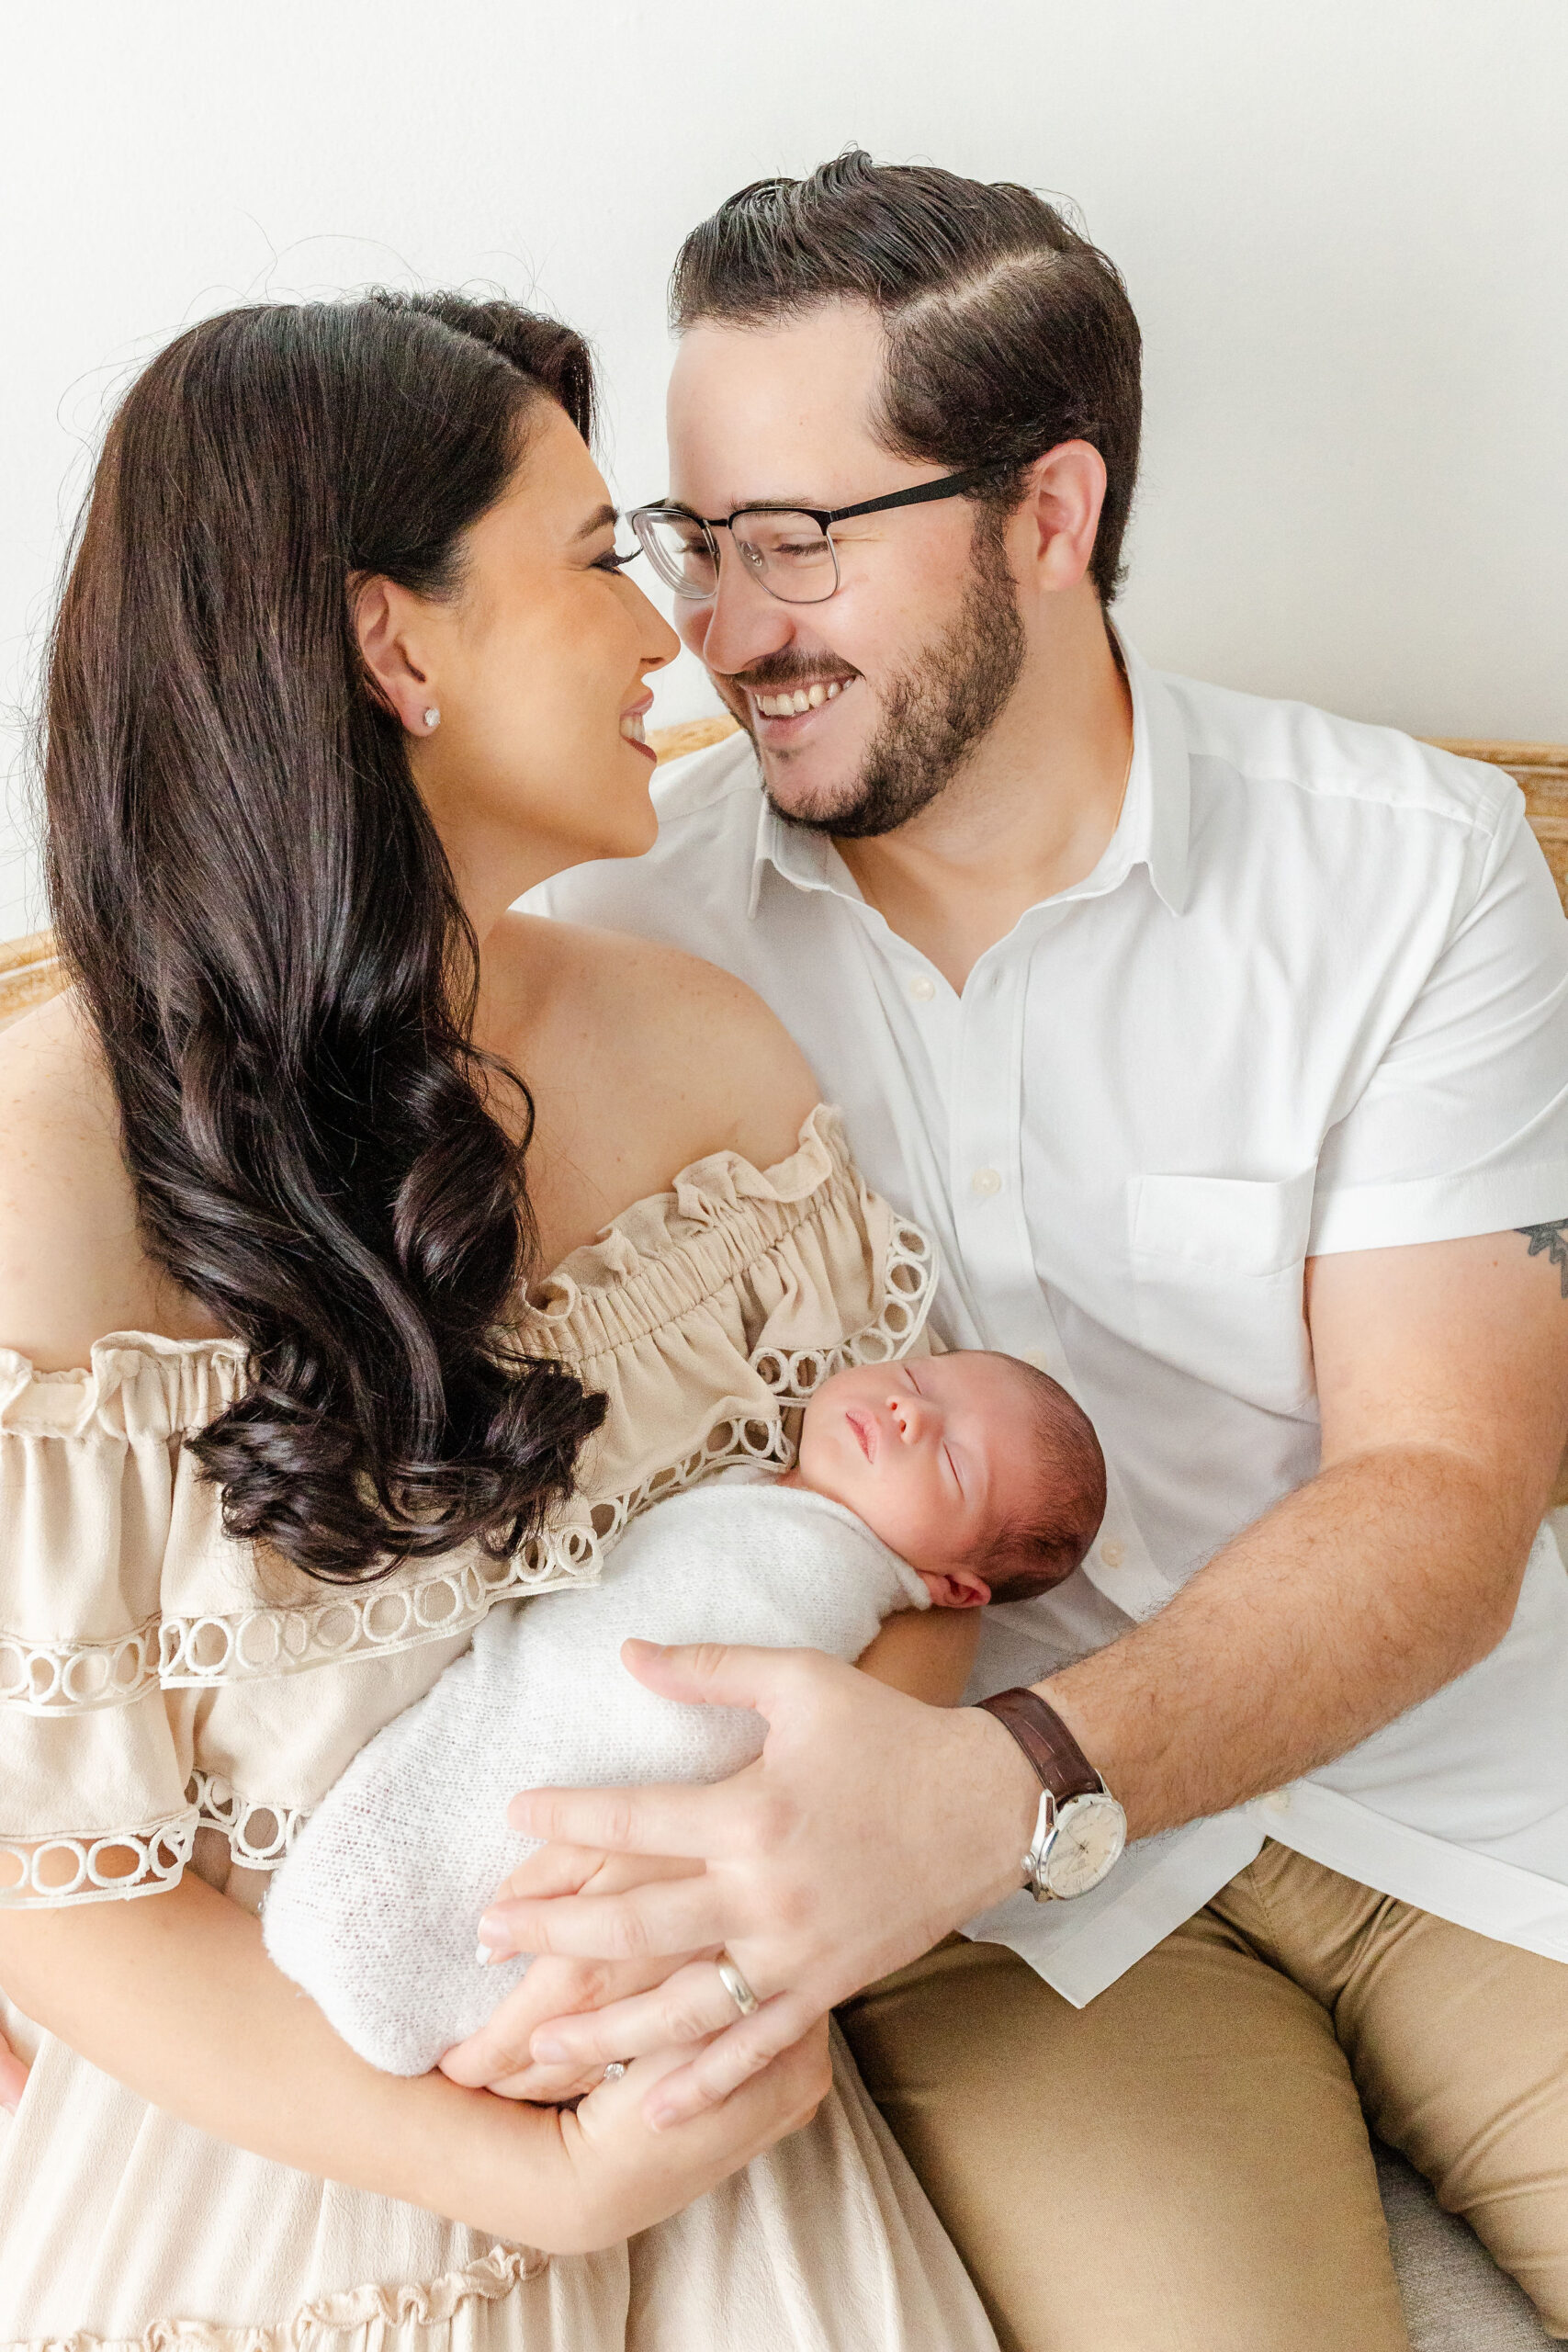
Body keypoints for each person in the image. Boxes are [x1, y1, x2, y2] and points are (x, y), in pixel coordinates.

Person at [475, 154, 1568, 2348]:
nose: (714, 627)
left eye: (793, 540)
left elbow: (1445, 1489)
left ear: (1043, 516)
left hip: (1469, 1794)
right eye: (696, 544)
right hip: (1013, 1932)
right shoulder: (608, 945)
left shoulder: (1403, 870)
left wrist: (1011, 1767)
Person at [0, 290, 999, 2350]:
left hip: (723, 2113)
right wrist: (525, 2172)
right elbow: (60, 1905)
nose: (677, 635)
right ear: (396, 643)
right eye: (601, 559)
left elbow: (902, 1559)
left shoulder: (707, 1058)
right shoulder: (46, 1174)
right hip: (270, 2176)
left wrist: (728, 1941)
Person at [262, 1350, 1105, 2078]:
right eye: (919, 1378)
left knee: (553, 1879)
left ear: (955, 1588)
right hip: (511, 1716)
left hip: (624, 1781)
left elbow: (788, 1758)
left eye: (954, 1463)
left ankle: (427, 1976)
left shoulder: (853, 1588)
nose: (907, 1410)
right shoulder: (743, 1465)